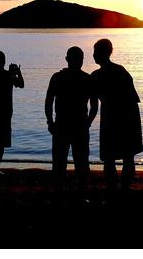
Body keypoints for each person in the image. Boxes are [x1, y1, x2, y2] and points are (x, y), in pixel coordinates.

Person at [91, 38, 143, 192]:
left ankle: (115, 189)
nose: (93, 55)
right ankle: (123, 188)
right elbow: (133, 98)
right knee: (127, 156)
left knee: (110, 157)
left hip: (115, 119)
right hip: (128, 117)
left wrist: (88, 121)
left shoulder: (97, 76)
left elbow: (93, 101)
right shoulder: (121, 70)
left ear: (101, 53)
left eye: (95, 52)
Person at [45, 46, 98, 194]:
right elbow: (94, 107)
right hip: (75, 126)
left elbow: (48, 102)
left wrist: (50, 122)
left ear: (67, 59)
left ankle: (60, 193)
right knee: (79, 163)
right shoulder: (87, 79)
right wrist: (88, 123)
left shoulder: (58, 77)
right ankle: (77, 194)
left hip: (65, 125)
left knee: (61, 163)